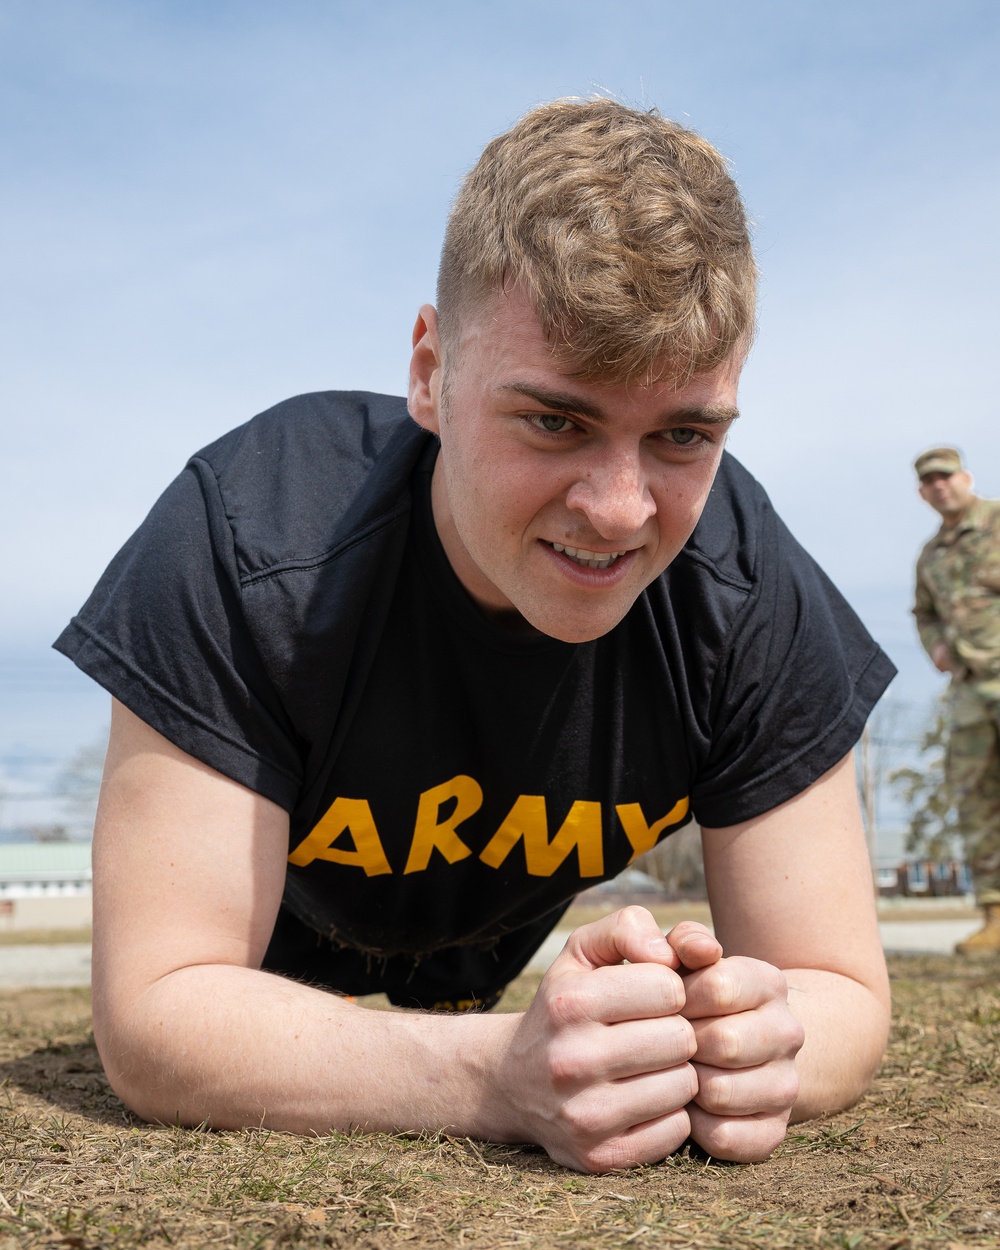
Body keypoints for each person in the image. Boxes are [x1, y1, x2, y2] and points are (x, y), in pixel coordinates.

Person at [56, 98, 894, 1174]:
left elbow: (839, 987)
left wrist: (752, 1041)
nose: (621, 508)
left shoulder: (740, 588)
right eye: (556, 420)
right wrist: (496, 1073)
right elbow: (159, 1015)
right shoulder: (252, 538)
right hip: (263, 972)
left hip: (474, 974)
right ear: (429, 371)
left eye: (683, 435)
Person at [913, 447, 1000, 953]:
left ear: (965, 478)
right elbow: (923, 613)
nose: (940, 487)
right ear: (923, 493)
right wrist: (936, 647)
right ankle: (994, 916)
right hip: (968, 690)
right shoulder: (932, 555)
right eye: (930, 482)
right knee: (977, 801)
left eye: (947, 477)